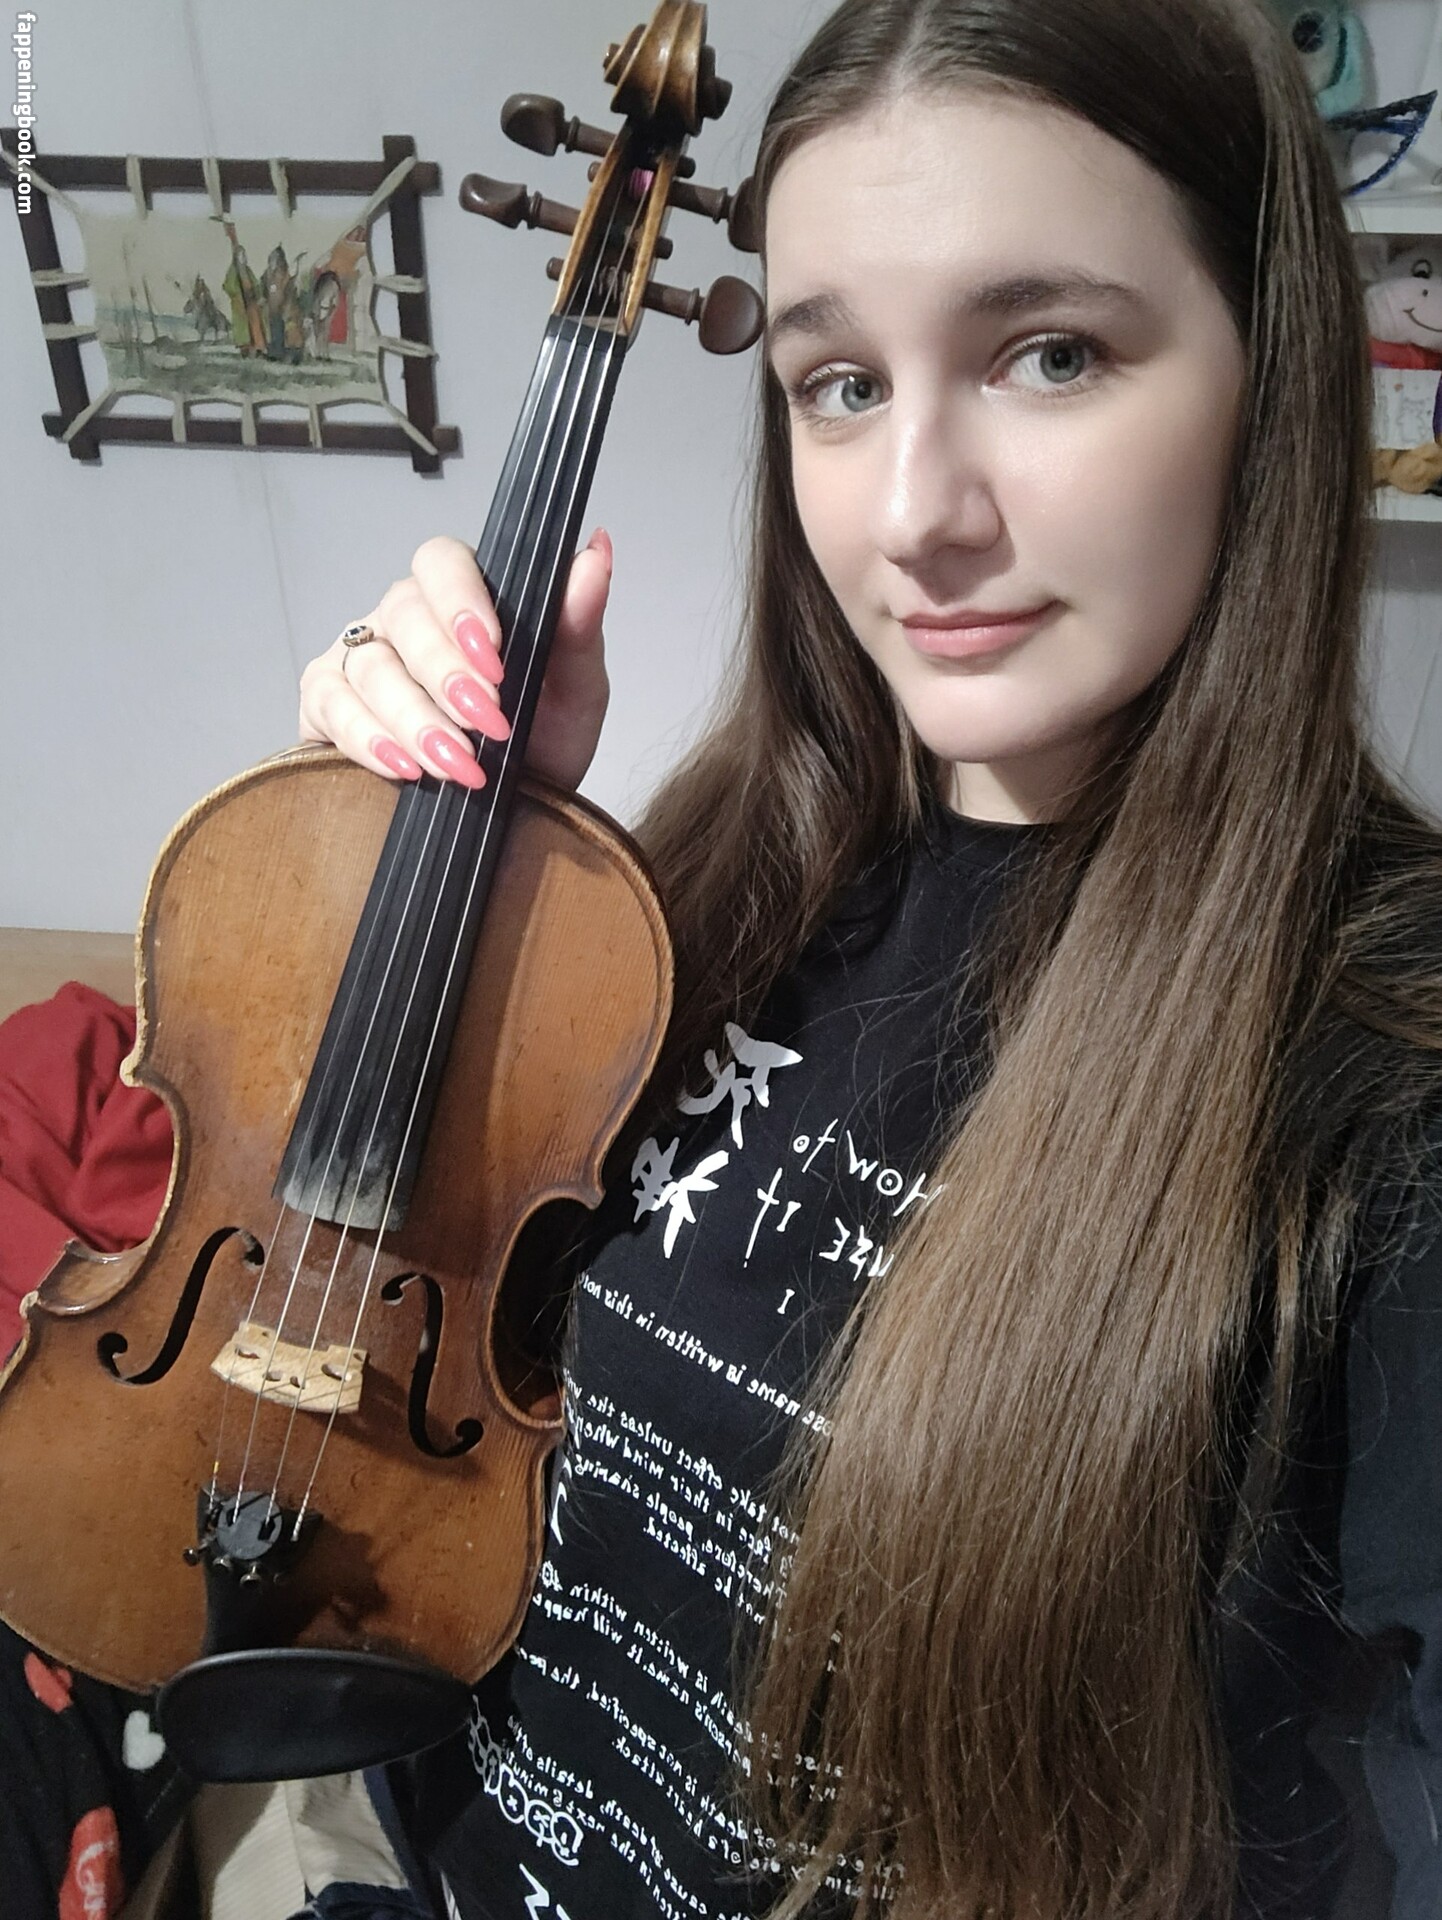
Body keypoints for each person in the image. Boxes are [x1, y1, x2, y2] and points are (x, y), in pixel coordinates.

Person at [5, 1, 1442, 1916]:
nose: (914, 516)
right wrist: (426, 877)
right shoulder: (713, 885)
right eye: (836, 382)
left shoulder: (1387, 1070)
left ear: (1271, 367)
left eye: (1048, 353)